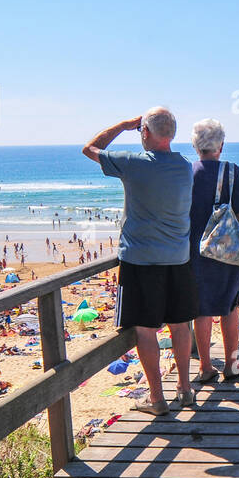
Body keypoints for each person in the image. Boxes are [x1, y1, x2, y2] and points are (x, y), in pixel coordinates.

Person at [83, 107, 197, 414]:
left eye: (141, 130)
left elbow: (90, 149)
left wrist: (122, 125)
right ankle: (185, 389)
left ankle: (157, 399)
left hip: (140, 260)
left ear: (144, 132)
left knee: (145, 330)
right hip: (178, 258)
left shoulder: (132, 164)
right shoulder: (185, 166)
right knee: (180, 326)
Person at [187, 118, 239, 384]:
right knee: (230, 307)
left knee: (201, 310)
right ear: (221, 145)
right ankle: (231, 365)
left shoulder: (187, 173)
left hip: (196, 252)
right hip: (229, 253)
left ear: (195, 146)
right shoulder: (232, 172)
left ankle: (205, 367)